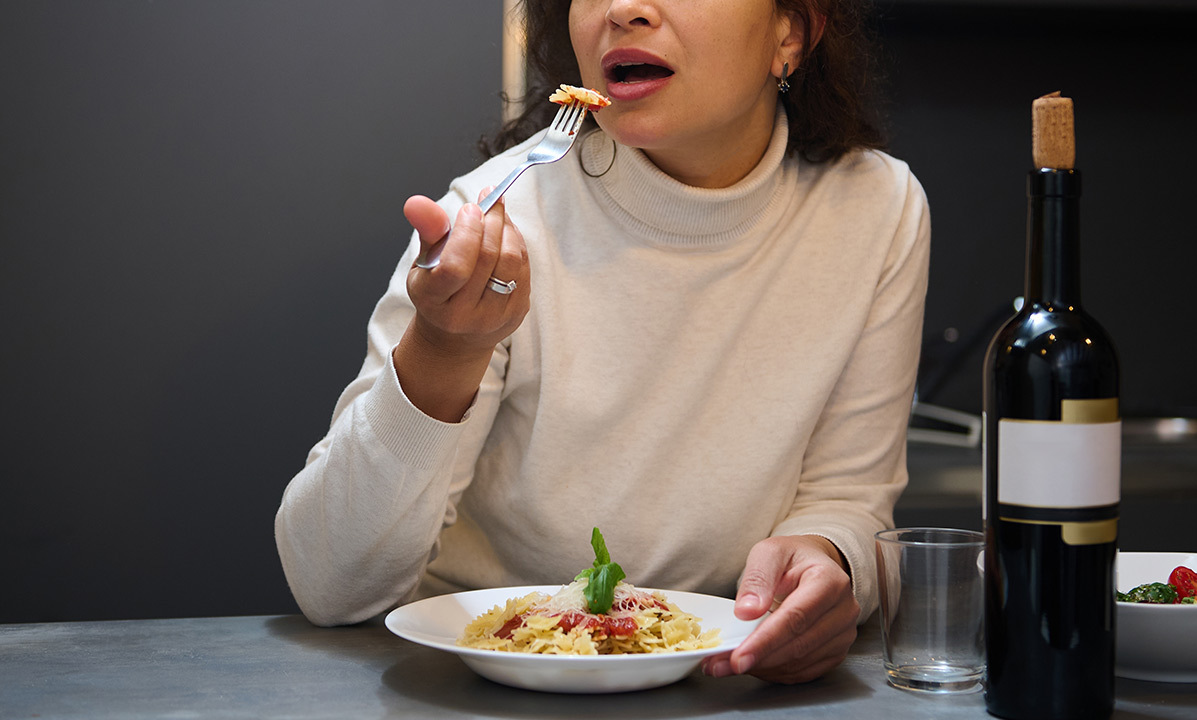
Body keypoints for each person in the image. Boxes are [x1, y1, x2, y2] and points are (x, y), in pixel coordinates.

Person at [275, 0, 929, 685]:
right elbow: (330, 584)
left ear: (789, 34)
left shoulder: (877, 209)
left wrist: (826, 557)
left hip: (723, 682)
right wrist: (443, 352)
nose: (622, 9)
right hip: (474, 688)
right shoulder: (495, 221)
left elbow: (848, 495)